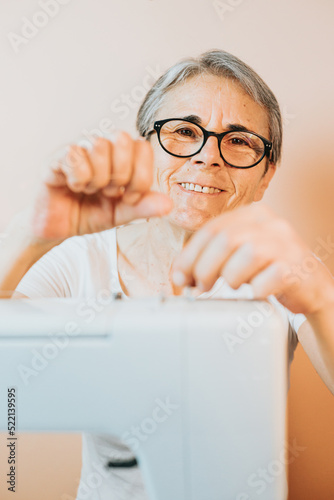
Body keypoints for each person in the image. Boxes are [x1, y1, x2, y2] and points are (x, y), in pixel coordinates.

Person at [1, 49, 334, 499]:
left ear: (266, 174)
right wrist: (29, 236)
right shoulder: (80, 260)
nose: (208, 156)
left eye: (239, 140)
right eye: (183, 131)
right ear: (145, 148)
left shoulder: (281, 270)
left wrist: (317, 293)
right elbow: (9, 392)